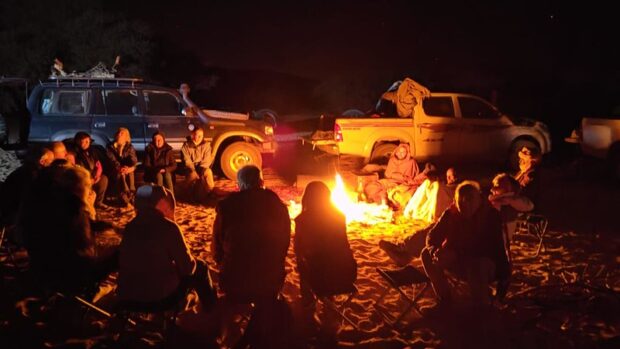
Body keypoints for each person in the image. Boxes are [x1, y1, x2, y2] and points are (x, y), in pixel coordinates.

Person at [211, 165, 291, 348]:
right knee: (267, 296)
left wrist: (223, 262)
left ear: (239, 185)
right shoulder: (277, 205)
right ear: (262, 182)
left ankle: (238, 336)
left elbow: (216, 246)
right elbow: (284, 243)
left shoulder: (227, 206)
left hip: (235, 281)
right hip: (270, 281)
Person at [17, 164, 118, 295]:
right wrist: (90, 209)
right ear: (81, 188)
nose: (90, 191)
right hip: (71, 273)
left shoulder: (55, 202)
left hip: (42, 267)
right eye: (88, 187)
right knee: (121, 252)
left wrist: (110, 226)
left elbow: (82, 227)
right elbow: (82, 246)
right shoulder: (76, 210)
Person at [118, 184, 217, 310]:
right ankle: (211, 309)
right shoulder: (168, 227)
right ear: (159, 203)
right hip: (159, 297)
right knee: (201, 267)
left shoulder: (130, 227)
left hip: (130, 294)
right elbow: (188, 268)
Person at [420, 181, 510, 311]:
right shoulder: (451, 214)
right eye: (460, 200)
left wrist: (455, 254)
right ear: (455, 201)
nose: (465, 203)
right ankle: (445, 299)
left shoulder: (490, 216)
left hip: (486, 264)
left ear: (479, 199)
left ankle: (481, 309)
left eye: (470, 199)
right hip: (459, 260)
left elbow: (490, 249)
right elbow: (432, 236)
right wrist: (435, 251)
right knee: (426, 254)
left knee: (478, 265)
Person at [294, 181, 357, 305]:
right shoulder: (339, 216)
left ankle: (308, 300)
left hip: (321, 279)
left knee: (302, 261)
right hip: (347, 274)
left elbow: (298, 249)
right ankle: (329, 298)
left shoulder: (303, 220)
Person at [0, 147, 54, 232]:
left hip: (12, 211)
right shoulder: (32, 176)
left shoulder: (25, 170)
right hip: (14, 215)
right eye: (51, 161)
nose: (52, 165)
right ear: (42, 161)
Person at [364, 143, 425, 208]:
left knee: (400, 195)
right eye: (399, 151)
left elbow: (410, 179)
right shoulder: (392, 160)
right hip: (390, 181)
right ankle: (383, 198)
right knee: (371, 186)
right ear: (396, 151)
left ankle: (386, 200)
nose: (400, 153)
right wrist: (391, 178)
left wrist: (396, 176)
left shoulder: (411, 162)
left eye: (403, 152)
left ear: (407, 153)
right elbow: (387, 174)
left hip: (402, 184)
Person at [488, 173, 534, 253]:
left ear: (509, 188)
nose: (493, 189)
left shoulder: (513, 201)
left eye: (498, 185)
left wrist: (509, 200)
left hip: (500, 234)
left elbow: (529, 206)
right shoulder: (494, 201)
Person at [74, 132, 109, 208]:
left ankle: (98, 202)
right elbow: (78, 168)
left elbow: (98, 165)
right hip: (83, 177)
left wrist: (97, 176)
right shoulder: (75, 153)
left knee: (104, 179)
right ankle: (86, 205)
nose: (86, 143)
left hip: (93, 176)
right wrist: (89, 179)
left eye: (88, 141)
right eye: (83, 141)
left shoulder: (92, 152)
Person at [105, 127, 137, 206]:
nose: (119, 135)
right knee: (121, 174)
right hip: (114, 168)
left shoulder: (129, 147)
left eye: (122, 134)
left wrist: (129, 168)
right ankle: (127, 195)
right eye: (118, 133)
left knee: (129, 172)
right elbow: (112, 160)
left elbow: (134, 161)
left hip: (126, 169)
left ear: (126, 137)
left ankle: (129, 195)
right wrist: (120, 168)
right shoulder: (110, 146)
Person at [180, 127, 215, 199]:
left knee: (208, 172)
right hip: (191, 168)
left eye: (200, 136)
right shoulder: (186, 146)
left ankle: (210, 191)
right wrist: (193, 170)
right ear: (193, 135)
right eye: (197, 135)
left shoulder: (206, 145)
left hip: (202, 167)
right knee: (192, 176)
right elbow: (187, 160)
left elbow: (207, 159)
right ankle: (185, 193)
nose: (198, 137)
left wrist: (201, 170)